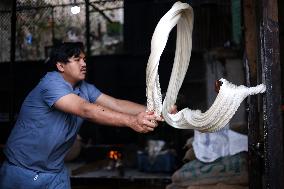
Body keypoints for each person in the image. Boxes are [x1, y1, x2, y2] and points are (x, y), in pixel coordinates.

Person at [0, 42, 164, 189]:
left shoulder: (85, 88)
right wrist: (131, 121)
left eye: (84, 59)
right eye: (77, 60)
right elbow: (85, 110)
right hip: (23, 172)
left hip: (55, 173)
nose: (83, 64)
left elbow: (116, 104)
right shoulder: (50, 84)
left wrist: (157, 111)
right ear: (60, 66)